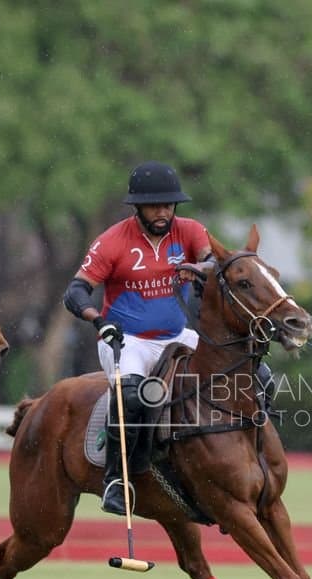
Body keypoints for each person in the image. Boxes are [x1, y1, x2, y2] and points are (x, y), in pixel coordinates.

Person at [63, 161, 215, 515]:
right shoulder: (112, 242)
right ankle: (118, 479)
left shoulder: (190, 231)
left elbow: (213, 263)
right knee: (131, 397)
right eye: (154, 205)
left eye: (168, 204)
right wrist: (99, 322)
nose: (163, 212)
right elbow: (75, 292)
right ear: (137, 207)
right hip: (128, 339)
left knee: (243, 375)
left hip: (178, 335)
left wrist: (201, 269)